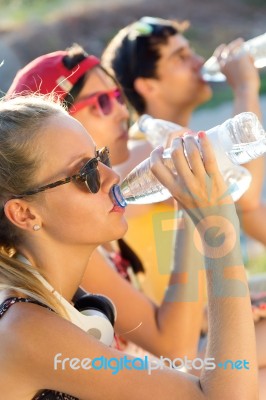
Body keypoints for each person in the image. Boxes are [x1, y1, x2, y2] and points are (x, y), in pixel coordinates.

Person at [0, 94, 259, 399]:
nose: (113, 176)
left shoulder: (60, 302)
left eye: (101, 158)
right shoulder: (28, 331)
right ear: (25, 213)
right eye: (87, 174)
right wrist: (217, 226)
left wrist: (192, 208)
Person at [6, 46, 205, 359]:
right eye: (101, 102)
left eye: (116, 95)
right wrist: (198, 217)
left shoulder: (99, 204)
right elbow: (175, 347)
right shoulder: (62, 240)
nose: (123, 111)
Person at [101, 15, 266, 301]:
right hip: (190, 340)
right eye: (180, 56)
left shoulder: (189, 143)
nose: (199, 62)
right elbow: (246, 193)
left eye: (191, 51)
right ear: (148, 86)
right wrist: (244, 88)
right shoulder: (146, 153)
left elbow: (249, 211)